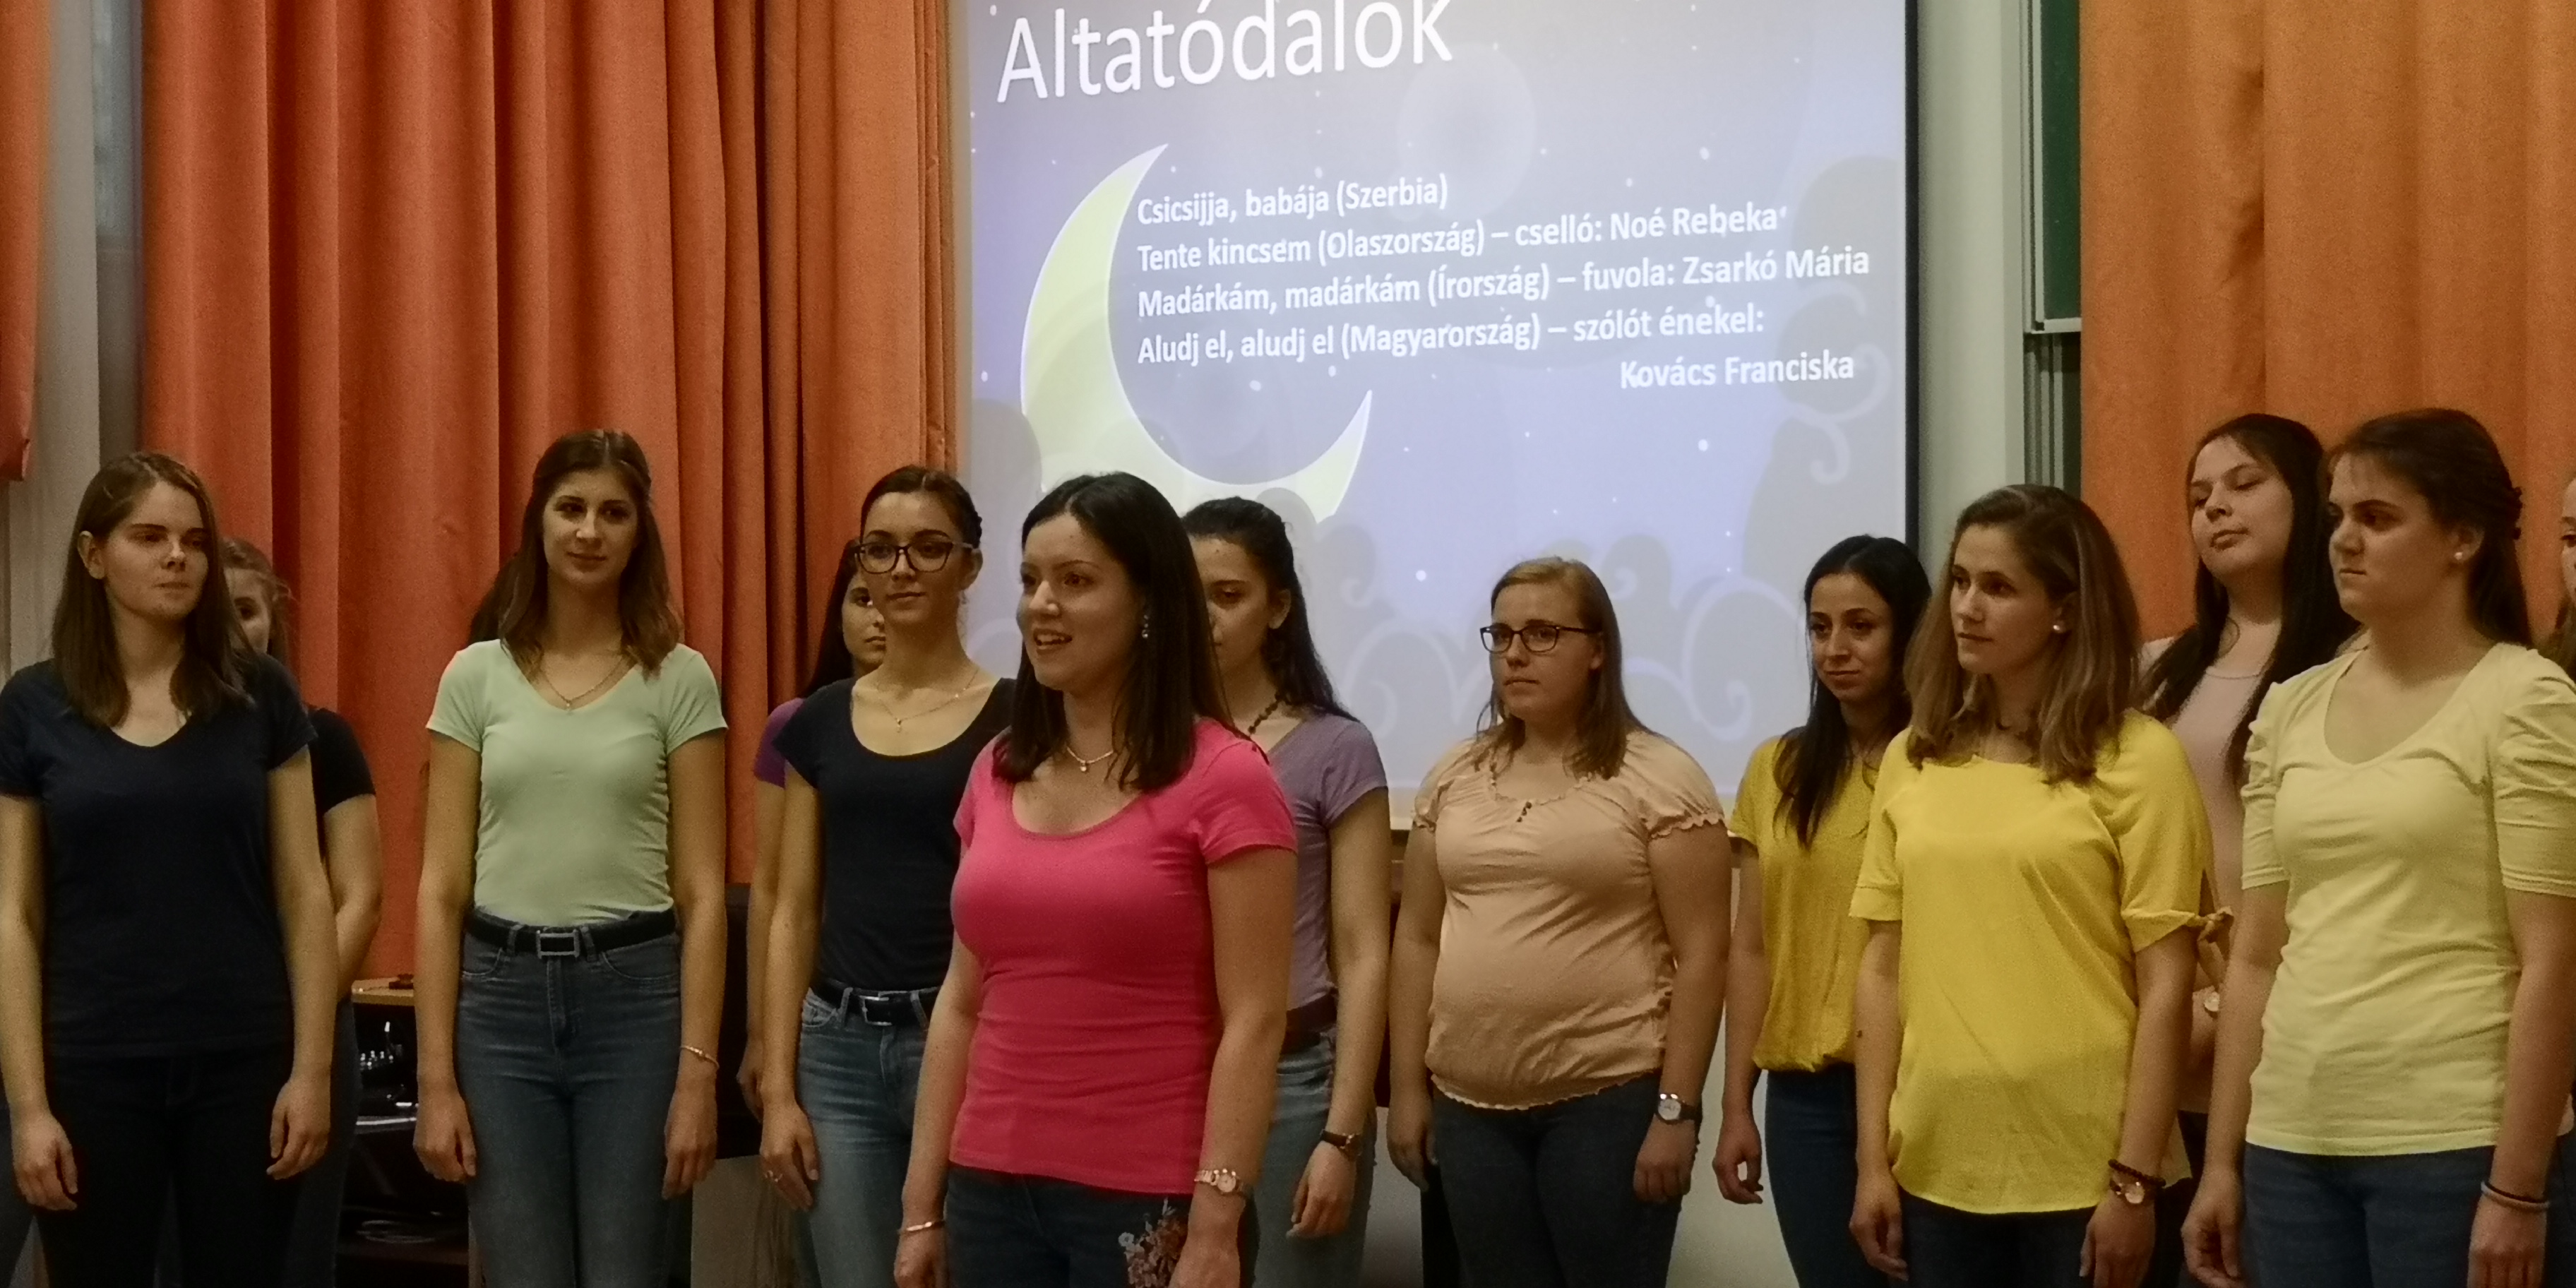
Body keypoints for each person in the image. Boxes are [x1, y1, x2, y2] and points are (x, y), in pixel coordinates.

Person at [2183, 409, 2576, 1288]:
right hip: (2291, 1140)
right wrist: (2223, 1164)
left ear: (2463, 538)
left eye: (2378, 517)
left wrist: (2517, 1188)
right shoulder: (2290, 706)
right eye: (2337, 517)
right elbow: (2257, 955)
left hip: (2453, 1139)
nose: (2344, 540)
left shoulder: (2525, 698)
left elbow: (2553, 960)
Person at [894, 471, 1296, 1288]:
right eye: (1031, 581)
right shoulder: (997, 769)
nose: (1042, 605)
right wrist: (921, 1206)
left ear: (1147, 603)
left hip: (1150, 1191)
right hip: (989, 1188)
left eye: (1075, 582)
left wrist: (1216, 1225)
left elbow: (1255, 1019)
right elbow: (962, 1001)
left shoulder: (1226, 776)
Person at [1847, 484, 2207, 1288]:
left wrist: (2135, 1179)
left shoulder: (2140, 758)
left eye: (1999, 587)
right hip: (1936, 1162)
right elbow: (1881, 967)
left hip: (2088, 1166)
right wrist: (1873, 1160)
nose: (1967, 607)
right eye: (1960, 581)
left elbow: (2167, 981)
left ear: (2065, 611)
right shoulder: (1914, 755)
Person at [0, 452, 339, 1286]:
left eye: (193, 540)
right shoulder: (33, 706)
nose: (177, 557)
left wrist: (312, 1071)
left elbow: (305, 892)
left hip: (244, 1059)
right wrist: (30, 1107)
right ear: (93, 556)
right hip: (92, 1062)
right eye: (149, 538)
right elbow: (17, 916)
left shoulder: (262, 695)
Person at [412, 429, 729, 1288]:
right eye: (572, 509)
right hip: (500, 1009)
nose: (590, 531)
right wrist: (435, 1081)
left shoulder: (681, 679)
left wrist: (697, 1079)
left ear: (640, 532)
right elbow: (440, 890)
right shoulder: (475, 676)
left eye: (614, 513)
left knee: (629, 1271)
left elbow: (703, 894)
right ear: (539, 523)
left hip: (636, 1006)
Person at [1385, 556, 1731, 1288]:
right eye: (1502, 635)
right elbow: (1416, 937)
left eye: (1542, 634)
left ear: (1597, 649)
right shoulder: (1453, 776)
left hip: (1607, 1101)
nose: (1515, 654)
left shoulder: (1659, 777)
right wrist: (1409, 1089)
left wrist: (1677, 1112)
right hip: (1470, 1107)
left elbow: (1704, 953)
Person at [758, 467, 1010, 1287]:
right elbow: (794, 909)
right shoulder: (821, 718)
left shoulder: (1015, 718)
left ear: (970, 566)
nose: (902, 569)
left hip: (967, 1039)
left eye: (928, 548)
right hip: (838, 1051)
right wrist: (779, 1087)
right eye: (880, 550)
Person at [1184, 498, 1395, 1288]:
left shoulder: (1336, 747)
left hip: (1294, 1077)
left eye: (1228, 595)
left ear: (1277, 608)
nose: (1204, 617)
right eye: (1188, 594)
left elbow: (1363, 950)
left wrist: (1342, 1136)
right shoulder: (1144, 743)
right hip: (1170, 1070)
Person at [1712, 535, 1928, 1288]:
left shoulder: (1944, 765)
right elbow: (1752, 946)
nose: (1835, 649)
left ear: (1911, 633)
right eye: (1819, 627)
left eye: (1861, 627)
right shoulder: (1778, 768)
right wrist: (1735, 1103)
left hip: (1920, 1088)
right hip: (1804, 1098)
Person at [223, 538, 385, 1288]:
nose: (233, 630)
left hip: (307, 1038)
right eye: (216, 612)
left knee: (298, 1262)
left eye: (247, 610)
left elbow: (360, 895)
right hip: (202, 1036)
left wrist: (302, 1017)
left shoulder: (327, 738)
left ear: (272, 621)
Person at [742, 538, 888, 1119]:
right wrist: (761, 1033)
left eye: (888, 600)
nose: (879, 617)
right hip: (820, 998)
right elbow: (770, 889)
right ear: (839, 614)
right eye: (862, 599)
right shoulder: (798, 724)